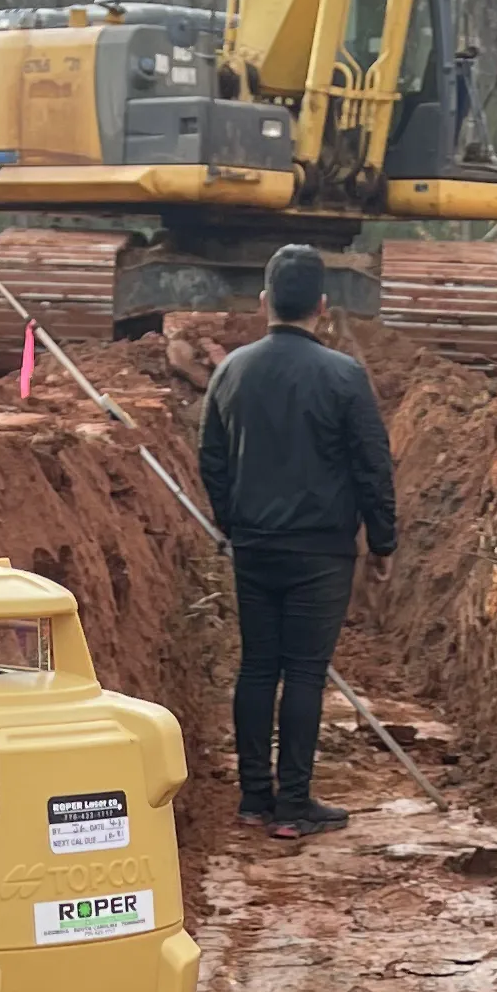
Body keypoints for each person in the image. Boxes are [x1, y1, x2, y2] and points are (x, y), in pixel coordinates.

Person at [196, 244, 396, 840]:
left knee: (258, 666)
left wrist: (232, 521)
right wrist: (383, 542)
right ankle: (294, 804)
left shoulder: (232, 370)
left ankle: (254, 798)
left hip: (255, 546)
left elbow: (211, 457)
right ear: (323, 307)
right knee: (305, 672)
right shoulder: (344, 376)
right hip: (321, 551)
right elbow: (372, 466)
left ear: (264, 303)